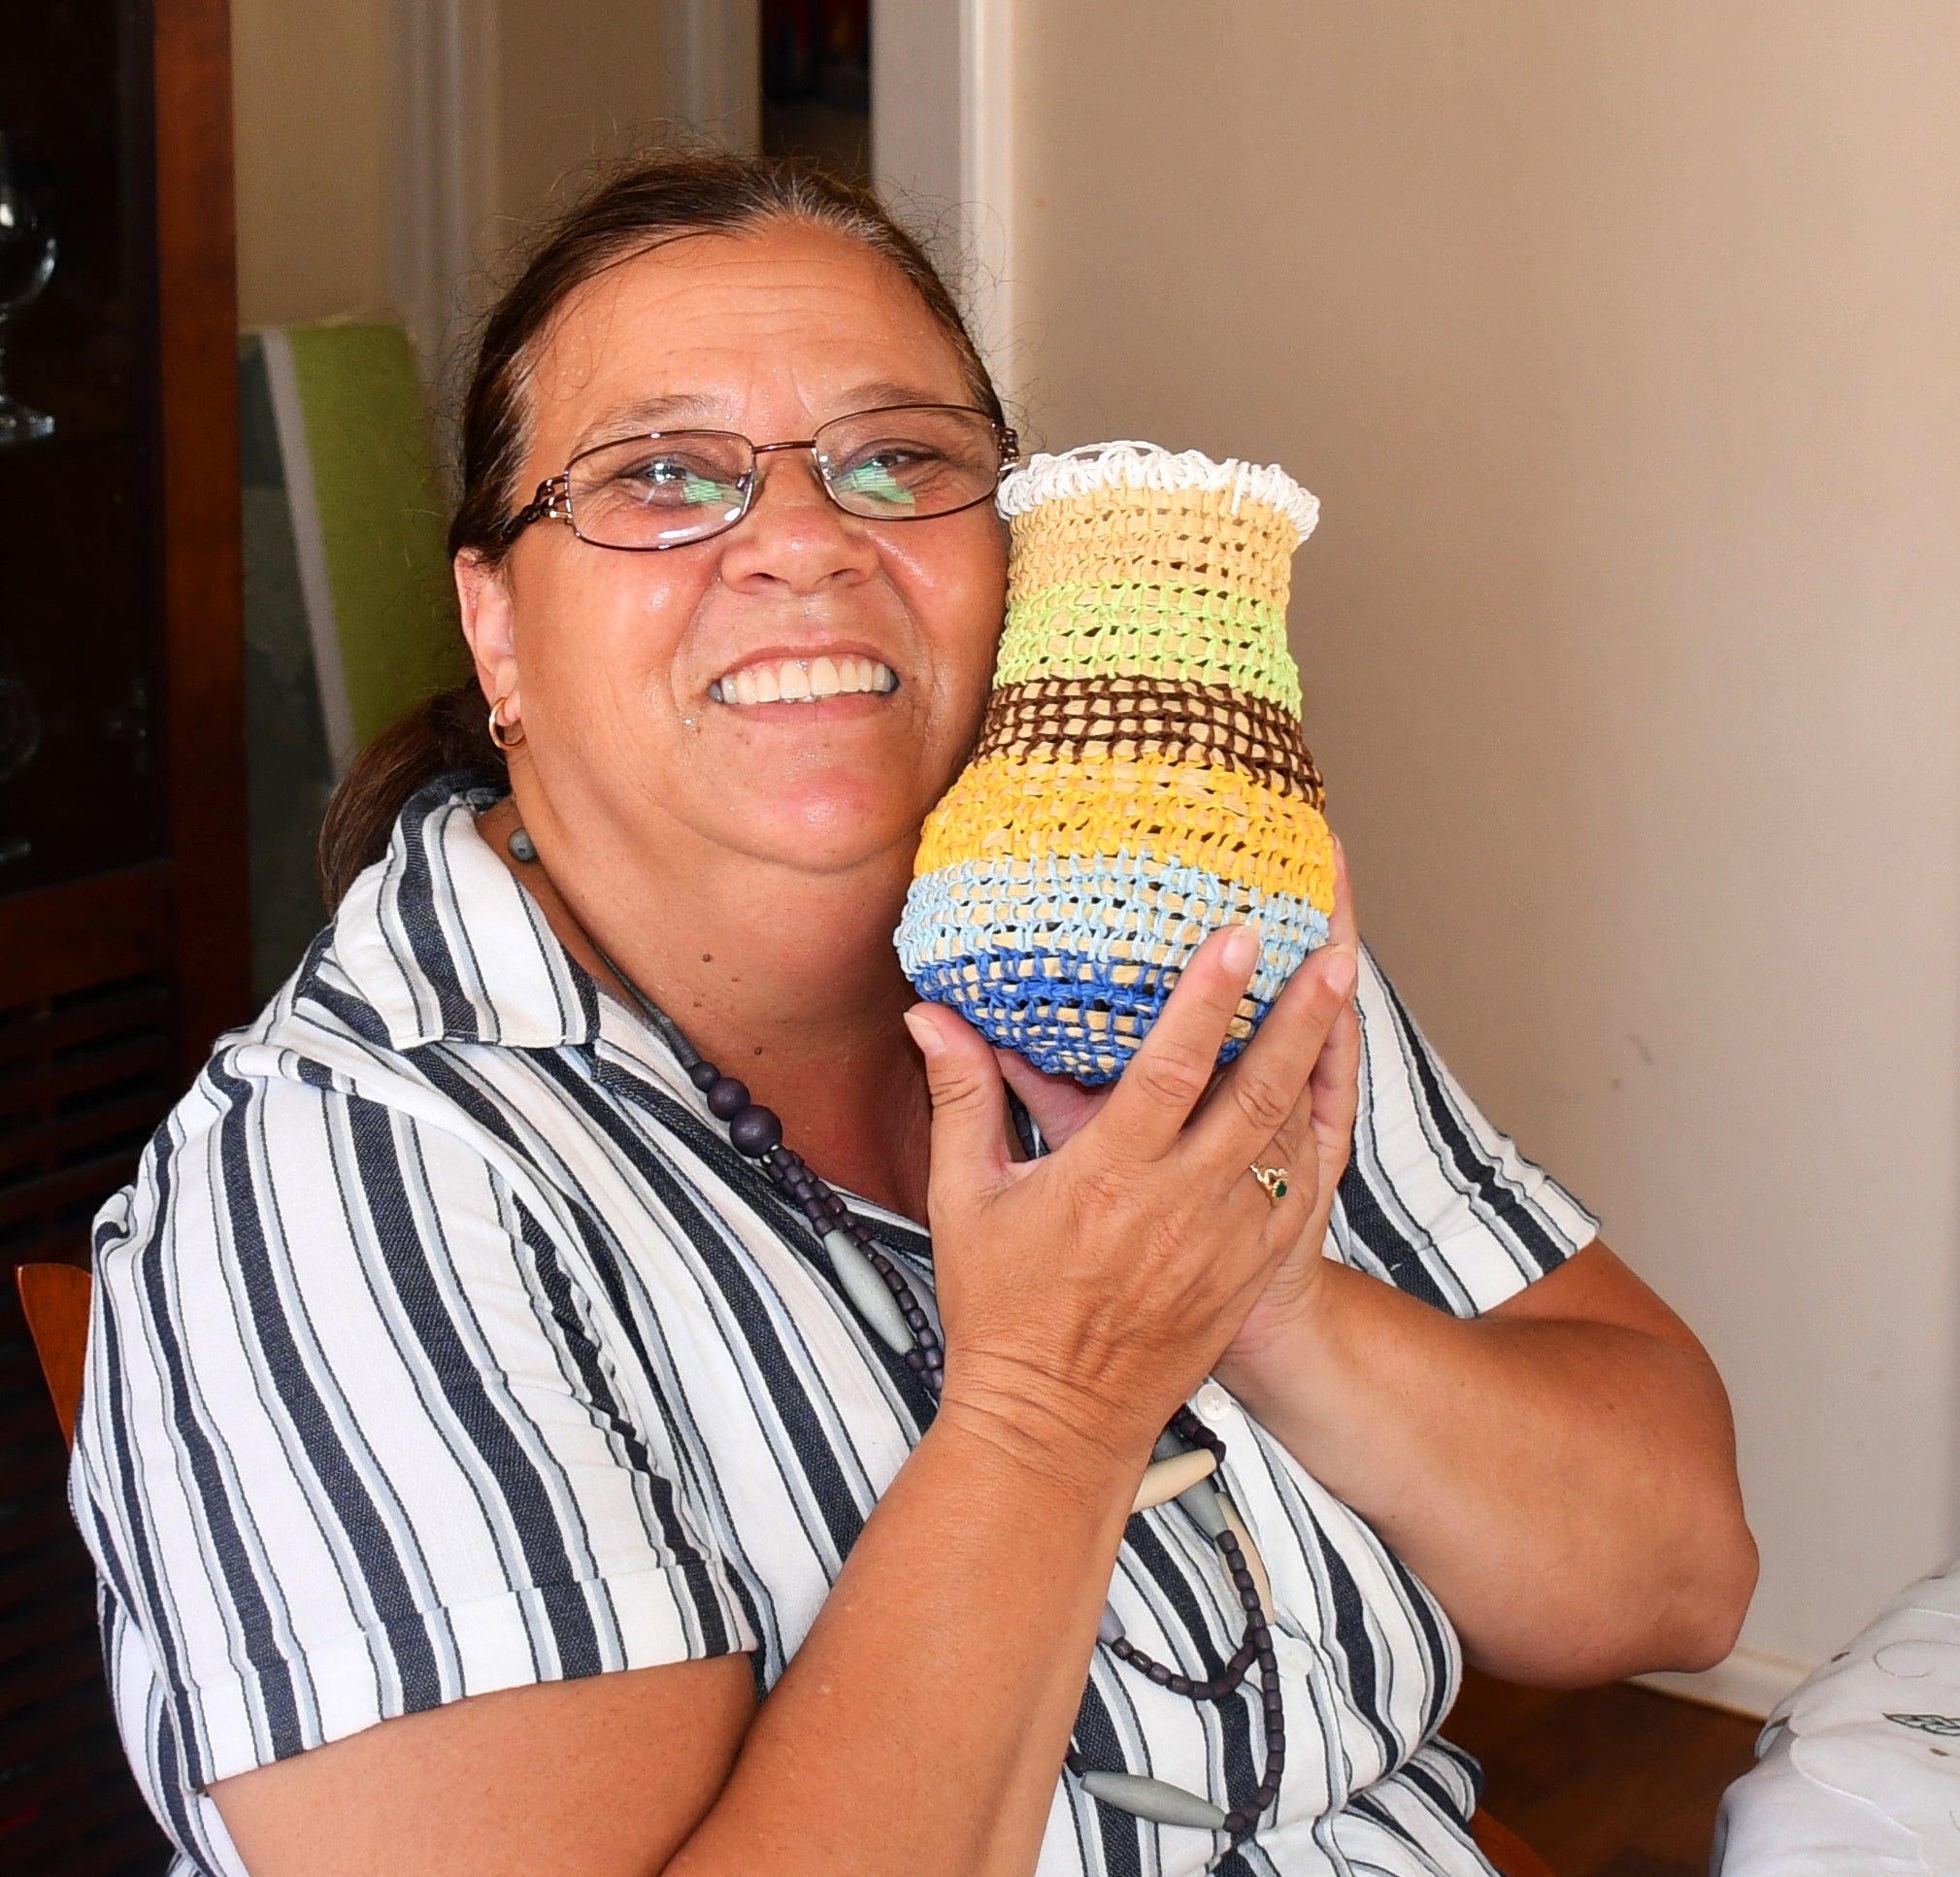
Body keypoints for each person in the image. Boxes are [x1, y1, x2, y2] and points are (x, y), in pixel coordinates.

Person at [71, 152, 1756, 1877]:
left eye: (901, 462)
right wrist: (1057, 1395)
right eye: (662, 477)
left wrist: (1261, 1293)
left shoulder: (1167, 936)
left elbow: (1683, 1571)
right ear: (495, 628)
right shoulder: (339, 1189)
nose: (802, 541)